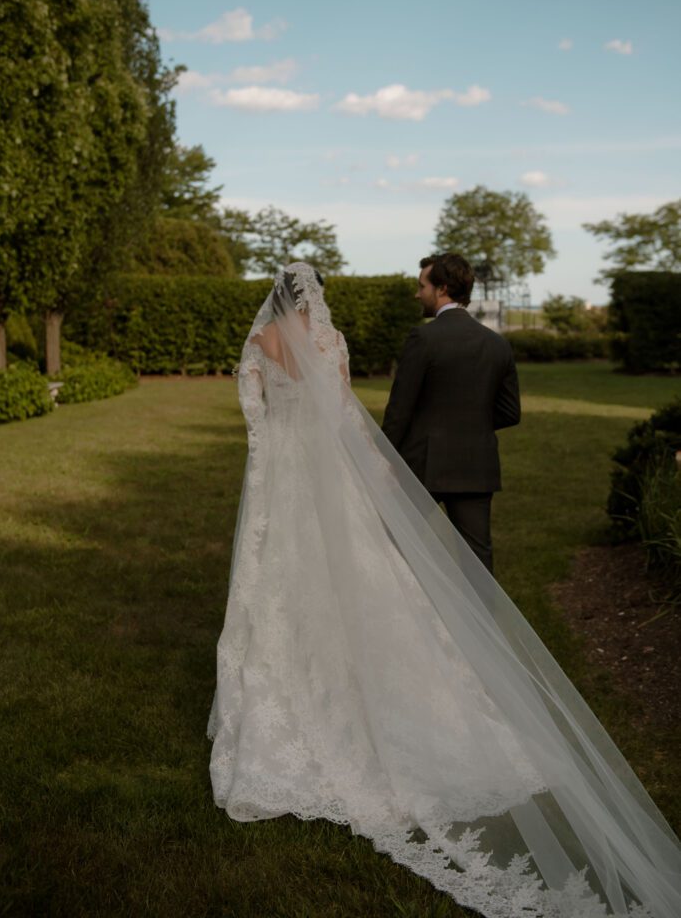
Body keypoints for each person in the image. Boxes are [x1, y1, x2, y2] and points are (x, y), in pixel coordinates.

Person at [207, 261, 680, 918]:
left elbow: (255, 424)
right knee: (386, 577)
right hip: (362, 469)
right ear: (315, 299)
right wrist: (365, 467)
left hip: (285, 476)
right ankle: (449, 652)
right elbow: (347, 412)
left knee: (281, 583)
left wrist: (266, 477)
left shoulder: (260, 344)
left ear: (273, 299)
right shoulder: (333, 344)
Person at [382, 253, 520, 573]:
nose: (418, 294)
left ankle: (404, 620)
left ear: (441, 289)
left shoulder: (423, 337)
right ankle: (483, 624)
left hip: (422, 464)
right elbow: (511, 412)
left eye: (422, 286)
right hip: (476, 464)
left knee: (397, 548)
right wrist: (471, 425)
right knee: (477, 561)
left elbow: (399, 411)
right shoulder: (498, 344)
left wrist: (381, 457)